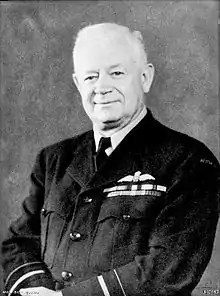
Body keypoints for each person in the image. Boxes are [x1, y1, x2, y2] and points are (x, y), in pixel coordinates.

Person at [1, 23, 220, 296]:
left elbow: (168, 270)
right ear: (77, 84)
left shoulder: (189, 162)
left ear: (145, 77)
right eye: (91, 77)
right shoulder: (53, 160)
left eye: (116, 72)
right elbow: (18, 244)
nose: (102, 87)